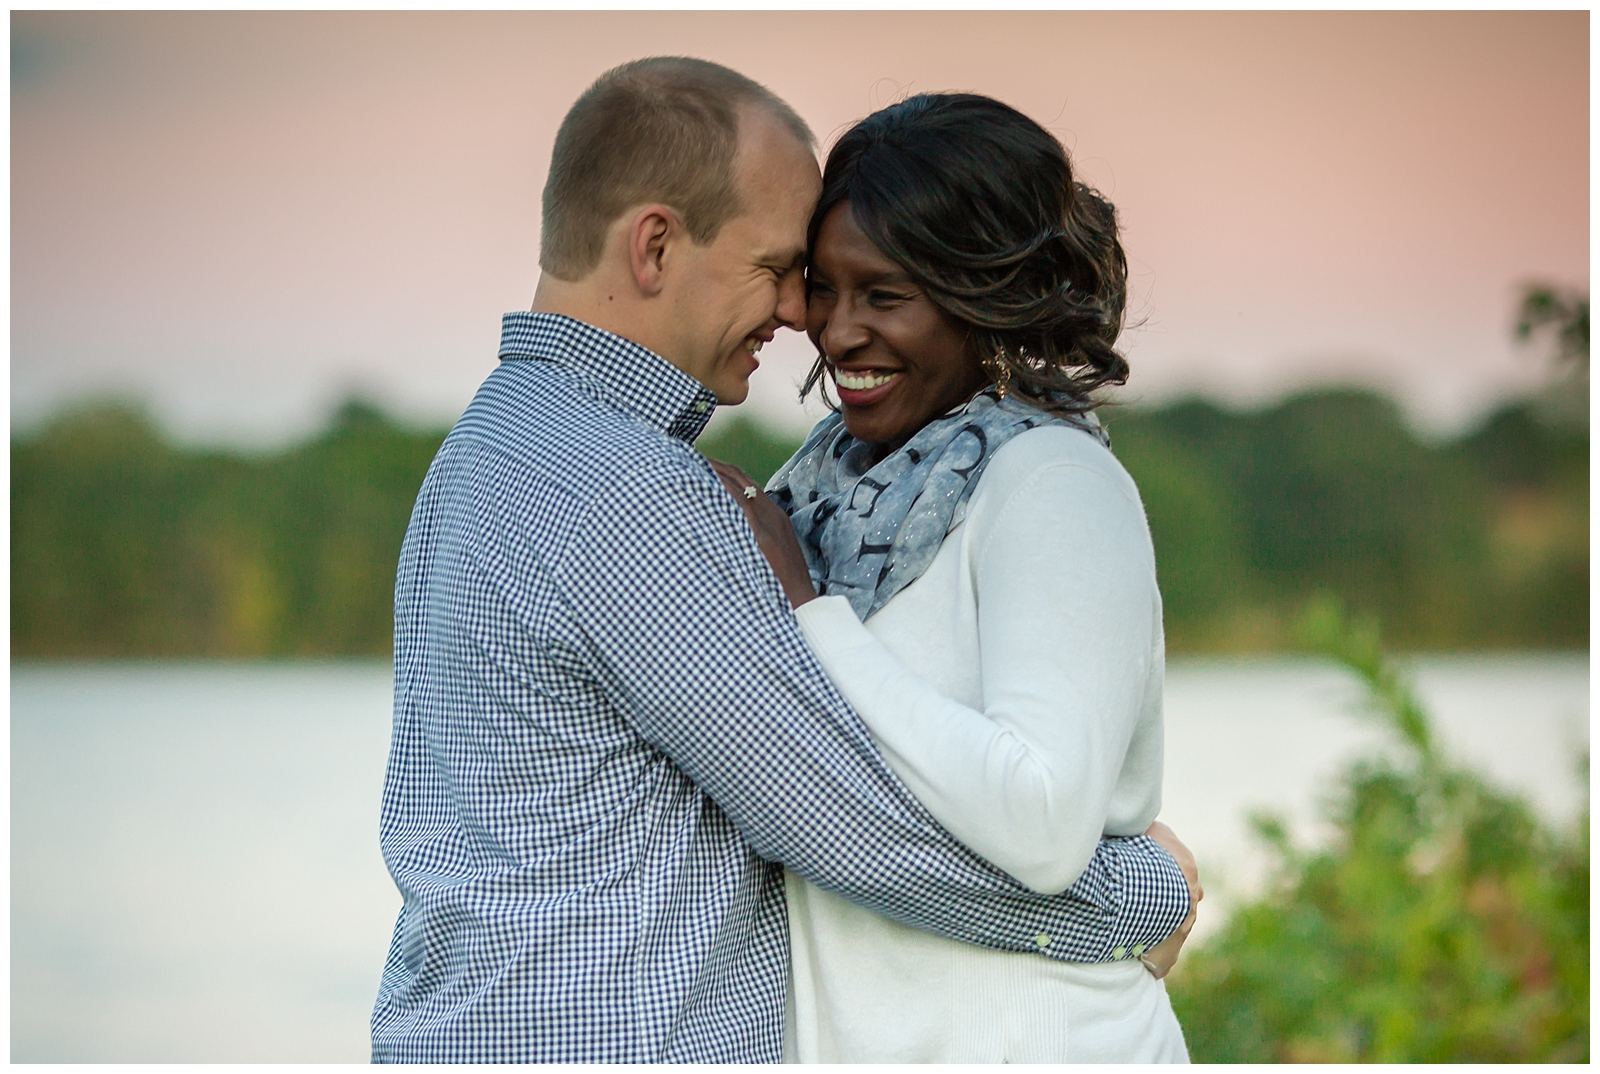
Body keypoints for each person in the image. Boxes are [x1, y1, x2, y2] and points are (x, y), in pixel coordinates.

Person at [371, 58, 1197, 1064]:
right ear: (655, 245)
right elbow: (851, 829)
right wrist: (1145, 892)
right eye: (780, 268)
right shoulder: (630, 494)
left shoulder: (485, 455)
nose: (803, 315)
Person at [713, 93, 1194, 1062]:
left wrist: (810, 611)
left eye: (884, 295)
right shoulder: (819, 489)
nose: (838, 332)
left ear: (986, 295)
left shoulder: (1050, 484)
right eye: (826, 288)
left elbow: (1046, 820)